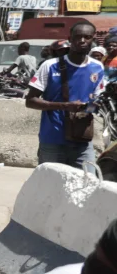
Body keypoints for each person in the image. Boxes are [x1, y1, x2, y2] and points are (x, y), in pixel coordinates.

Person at [26, 21, 103, 175]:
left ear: (92, 40)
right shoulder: (50, 66)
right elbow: (30, 101)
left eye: (87, 37)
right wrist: (65, 106)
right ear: (70, 38)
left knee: (88, 185)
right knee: (50, 188)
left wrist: (91, 106)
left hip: (82, 141)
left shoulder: (97, 67)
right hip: (52, 140)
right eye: (78, 37)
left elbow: (96, 105)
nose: (82, 41)